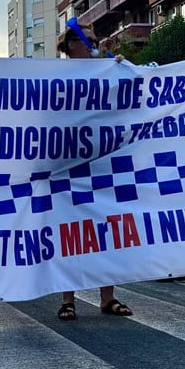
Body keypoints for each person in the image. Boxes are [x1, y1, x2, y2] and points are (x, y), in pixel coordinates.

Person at [54, 25, 134, 320]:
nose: (96, 43)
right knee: (69, 235)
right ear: (74, 44)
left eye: (98, 39)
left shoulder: (109, 70)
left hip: (103, 165)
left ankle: (107, 297)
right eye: (92, 39)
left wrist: (124, 69)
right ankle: (67, 299)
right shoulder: (56, 77)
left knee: (106, 230)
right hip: (68, 167)